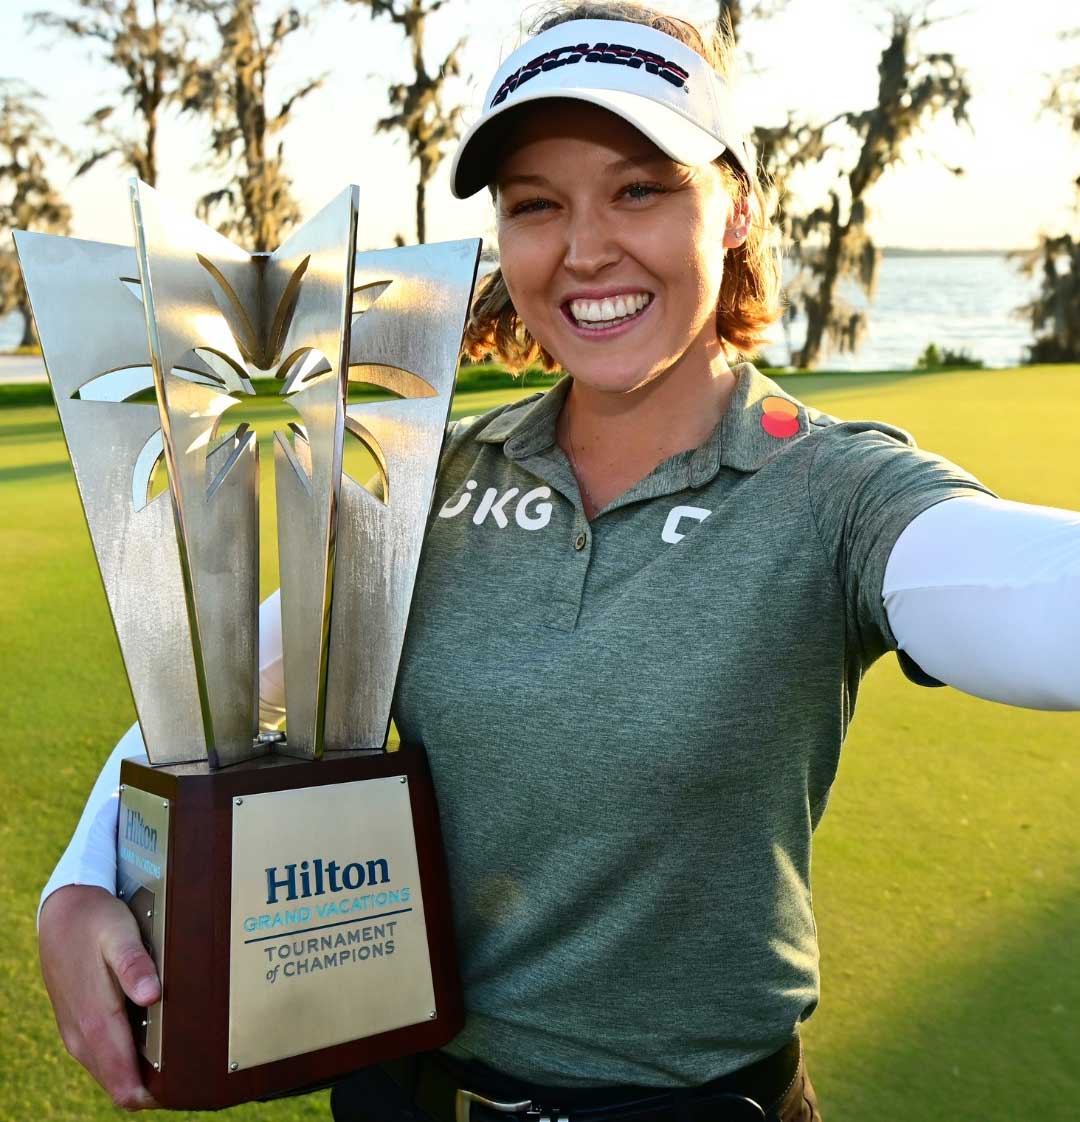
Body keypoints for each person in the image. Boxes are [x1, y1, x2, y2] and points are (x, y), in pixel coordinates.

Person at [34, 4, 1080, 1121]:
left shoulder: (834, 489)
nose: (584, 250)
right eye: (537, 205)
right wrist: (79, 882)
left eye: (641, 189)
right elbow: (234, 684)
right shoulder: (427, 470)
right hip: (403, 1095)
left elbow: (1006, 582)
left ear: (735, 208)